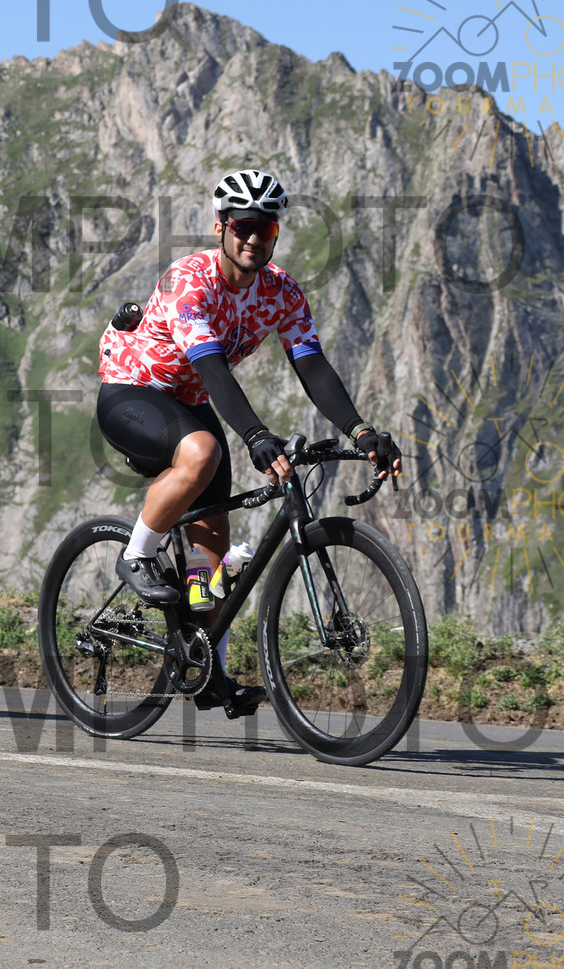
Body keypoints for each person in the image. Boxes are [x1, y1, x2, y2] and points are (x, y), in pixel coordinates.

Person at [96, 170, 401, 718]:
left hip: (189, 404)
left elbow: (311, 365)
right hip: (133, 390)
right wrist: (256, 435)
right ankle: (136, 554)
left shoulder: (282, 292)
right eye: (243, 227)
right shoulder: (191, 280)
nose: (254, 237)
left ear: (276, 232)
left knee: (211, 563)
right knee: (203, 453)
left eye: (266, 228)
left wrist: (361, 430)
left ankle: (208, 674)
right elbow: (212, 368)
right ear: (221, 226)